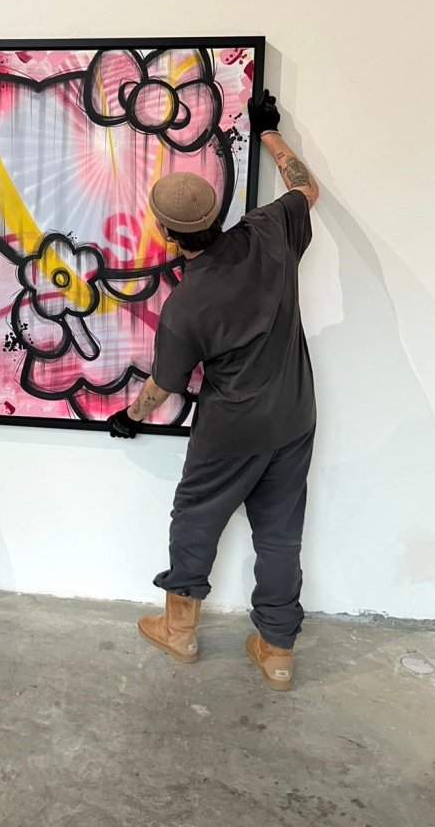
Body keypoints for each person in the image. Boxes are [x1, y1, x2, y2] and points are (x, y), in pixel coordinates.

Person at [107, 90, 319, 691]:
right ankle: (277, 650)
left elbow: (163, 386)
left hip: (230, 432)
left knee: (196, 519)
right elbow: (306, 190)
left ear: (164, 230)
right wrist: (269, 131)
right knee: (280, 534)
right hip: (294, 416)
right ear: (217, 210)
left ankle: (180, 630)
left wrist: (130, 415)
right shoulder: (269, 230)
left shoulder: (185, 306)